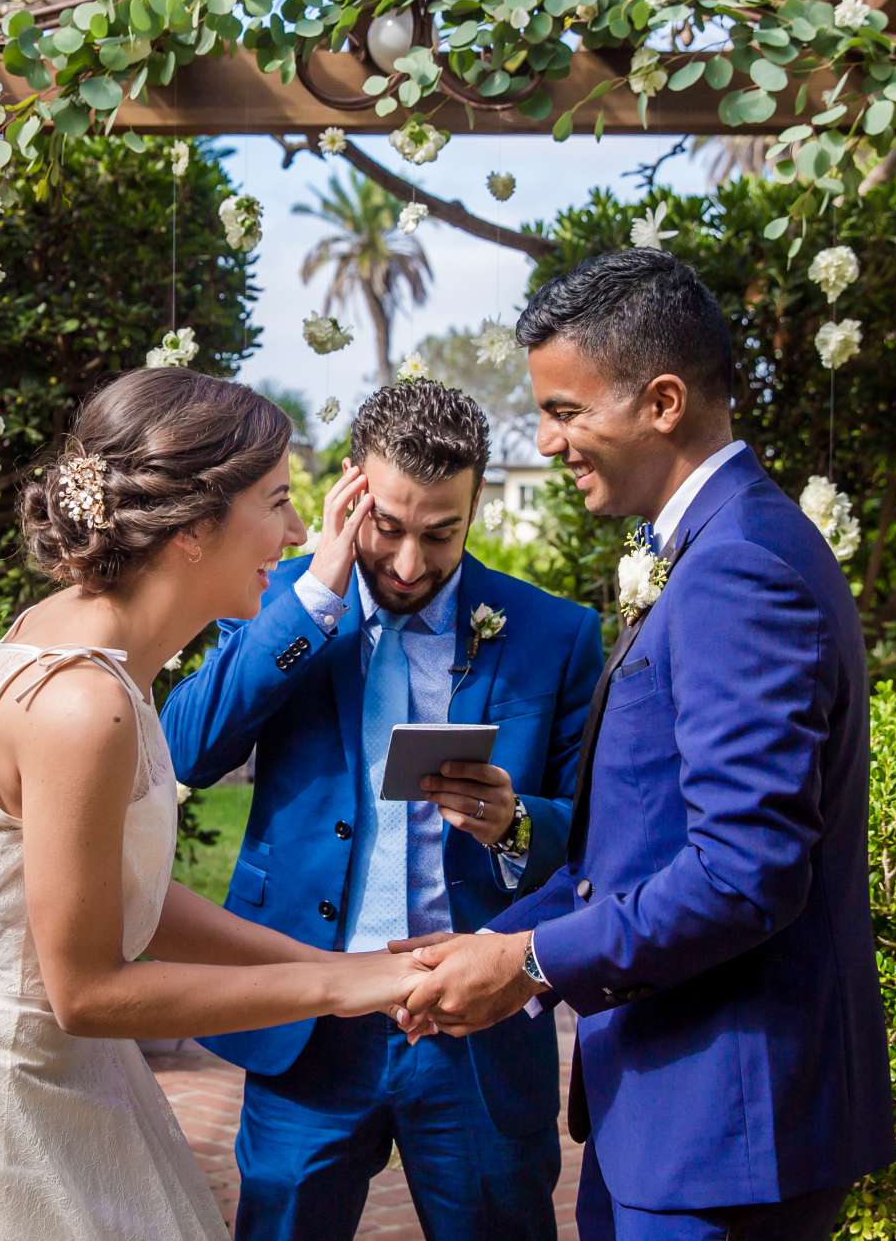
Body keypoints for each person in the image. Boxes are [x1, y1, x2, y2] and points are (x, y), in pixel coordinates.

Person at [0, 367, 427, 1241]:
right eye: (277, 502)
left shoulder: (85, 644)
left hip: (43, 1071)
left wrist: (351, 973)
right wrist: (335, 989)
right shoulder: (85, 703)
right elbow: (82, 990)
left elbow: (133, 902)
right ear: (197, 525)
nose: (301, 531)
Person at [400, 250, 896, 1241]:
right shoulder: (726, 543)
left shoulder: (740, 566)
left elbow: (742, 872)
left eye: (565, 411)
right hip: (682, 1120)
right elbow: (640, 850)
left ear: (663, 400)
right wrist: (493, 944)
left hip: (724, 1125)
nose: (546, 441)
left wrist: (534, 964)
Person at [164, 379, 603, 1241]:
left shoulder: (554, 633)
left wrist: (517, 823)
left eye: (441, 533)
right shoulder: (275, 599)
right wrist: (318, 592)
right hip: (308, 1010)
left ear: (474, 504)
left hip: (473, 1018)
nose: (408, 563)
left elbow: (593, 834)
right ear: (352, 490)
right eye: (389, 528)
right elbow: (186, 746)